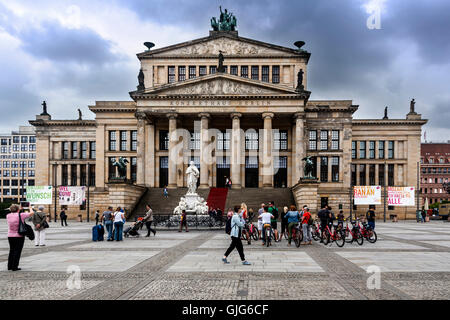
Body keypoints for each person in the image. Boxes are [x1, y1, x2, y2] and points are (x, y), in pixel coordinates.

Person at [7, 204, 35, 271]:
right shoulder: (21, 215)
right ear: (18, 209)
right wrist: (30, 207)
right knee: (17, 251)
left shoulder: (8, 215)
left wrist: (18, 209)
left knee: (11, 250)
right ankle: (14, 267)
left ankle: (10, 266)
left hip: (10, 235)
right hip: (19, 236)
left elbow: (14, 213)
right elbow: (32, 213)